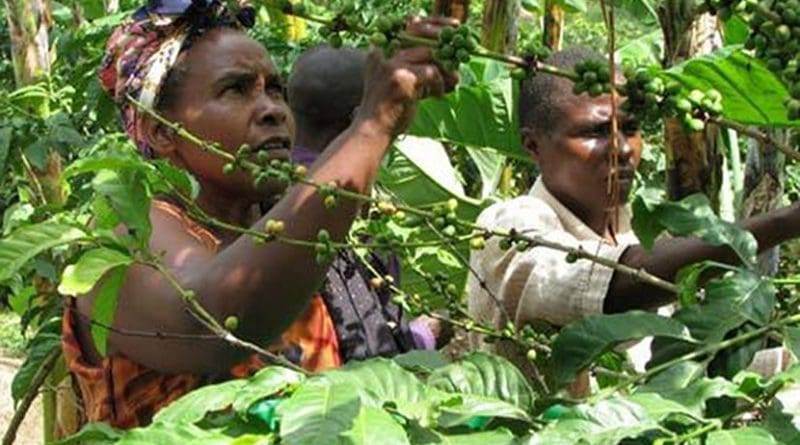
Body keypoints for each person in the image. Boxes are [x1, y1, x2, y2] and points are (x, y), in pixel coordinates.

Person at [62, 0, 457, 428]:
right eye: (236, 89)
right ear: (162, 131)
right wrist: (373, 122)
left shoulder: (294, 224)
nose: (273, 110)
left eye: (275, 90)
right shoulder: (127, 235)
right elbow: (207, 324)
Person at [467, 47, 798, 381]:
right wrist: (786, 221)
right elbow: (613, 284)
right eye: (595, 132)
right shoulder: (508, 228)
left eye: (630, 128)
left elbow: (667, 368)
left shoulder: (644, 231)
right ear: (533, 146)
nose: (622, 149)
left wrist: (784, 364)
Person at [286, 45, 450, 358]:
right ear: (359, 119)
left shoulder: (270, 196)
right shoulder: (341, 210)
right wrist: (427, 334)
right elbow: (365, 348)